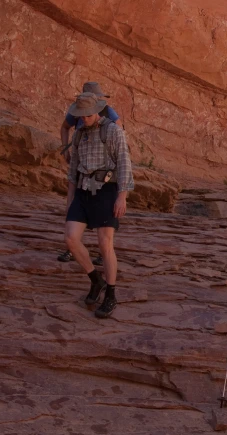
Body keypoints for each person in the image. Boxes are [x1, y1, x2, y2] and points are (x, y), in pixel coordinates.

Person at [64, 92, 134, 319]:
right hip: (83, 191)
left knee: (105, 244)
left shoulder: (112, 131)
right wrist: (70, 198)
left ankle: (111, 294)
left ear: (97, 111)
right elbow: (73, 168)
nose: (84, 119)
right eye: (81, 116)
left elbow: (124, 163)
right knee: (71, 239)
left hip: (107, 191)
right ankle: (96, 280)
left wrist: (122, 196)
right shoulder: (79, 134)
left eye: (88, 115)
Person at [58, 81, 122, 264]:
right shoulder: (77, 111)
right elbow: (64, 127)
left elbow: (119, 131)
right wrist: (66, 149)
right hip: (82, 163)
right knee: (75, 203)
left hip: (102, 168)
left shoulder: (107, 112)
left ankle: (104, 251)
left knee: (103, 207)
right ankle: (71, 248)